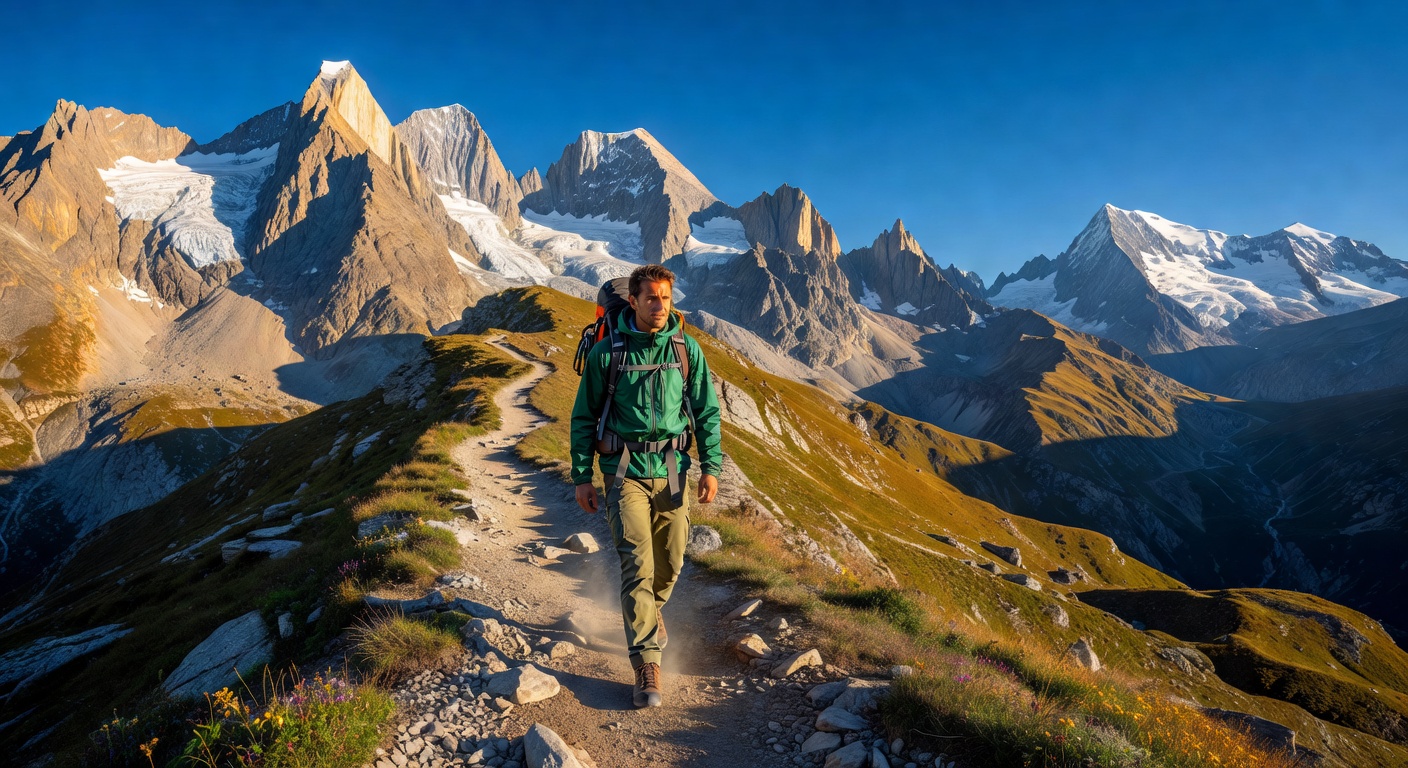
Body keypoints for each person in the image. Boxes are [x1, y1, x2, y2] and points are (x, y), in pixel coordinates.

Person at [570, 263, 722, 708]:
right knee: (636, 561)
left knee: (671, 560)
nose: (659, 305)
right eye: (651, 297)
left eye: (666, 298)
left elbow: (706, 412)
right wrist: (583, 475)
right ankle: (646, 664)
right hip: (624, 471)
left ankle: (651, 613)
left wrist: (711, 467)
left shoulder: (687, 350)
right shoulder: (607, 354)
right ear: (633, 300)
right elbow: (583, 418)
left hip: (674, 468)